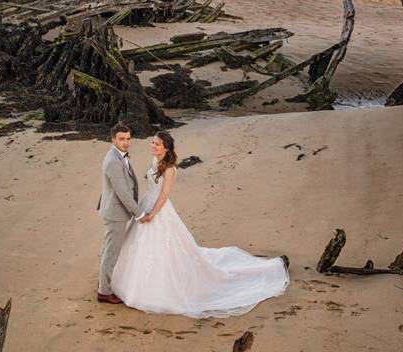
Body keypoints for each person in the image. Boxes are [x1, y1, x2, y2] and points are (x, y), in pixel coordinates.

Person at [110, 130, 290, 318]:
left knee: (166, 250)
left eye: (157, 144)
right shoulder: (156, 161)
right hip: (146, 205)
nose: (153, 146)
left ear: (166, 148)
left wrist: (152, 215)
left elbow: (164, 196)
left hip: (157, 211)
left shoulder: (171, 169)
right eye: (153, 142)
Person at [96, 124, 145, 304]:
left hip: (114, 210)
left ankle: (102, 282)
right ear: (113, 140)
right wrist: (139, 213)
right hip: (115, 212)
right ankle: (104, 292)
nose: (126, 142)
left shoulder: (118, 155)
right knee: (111, 252)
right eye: (121, 139)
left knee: (107, 249)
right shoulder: (112, 161)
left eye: (128, 138)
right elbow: (122, 192)